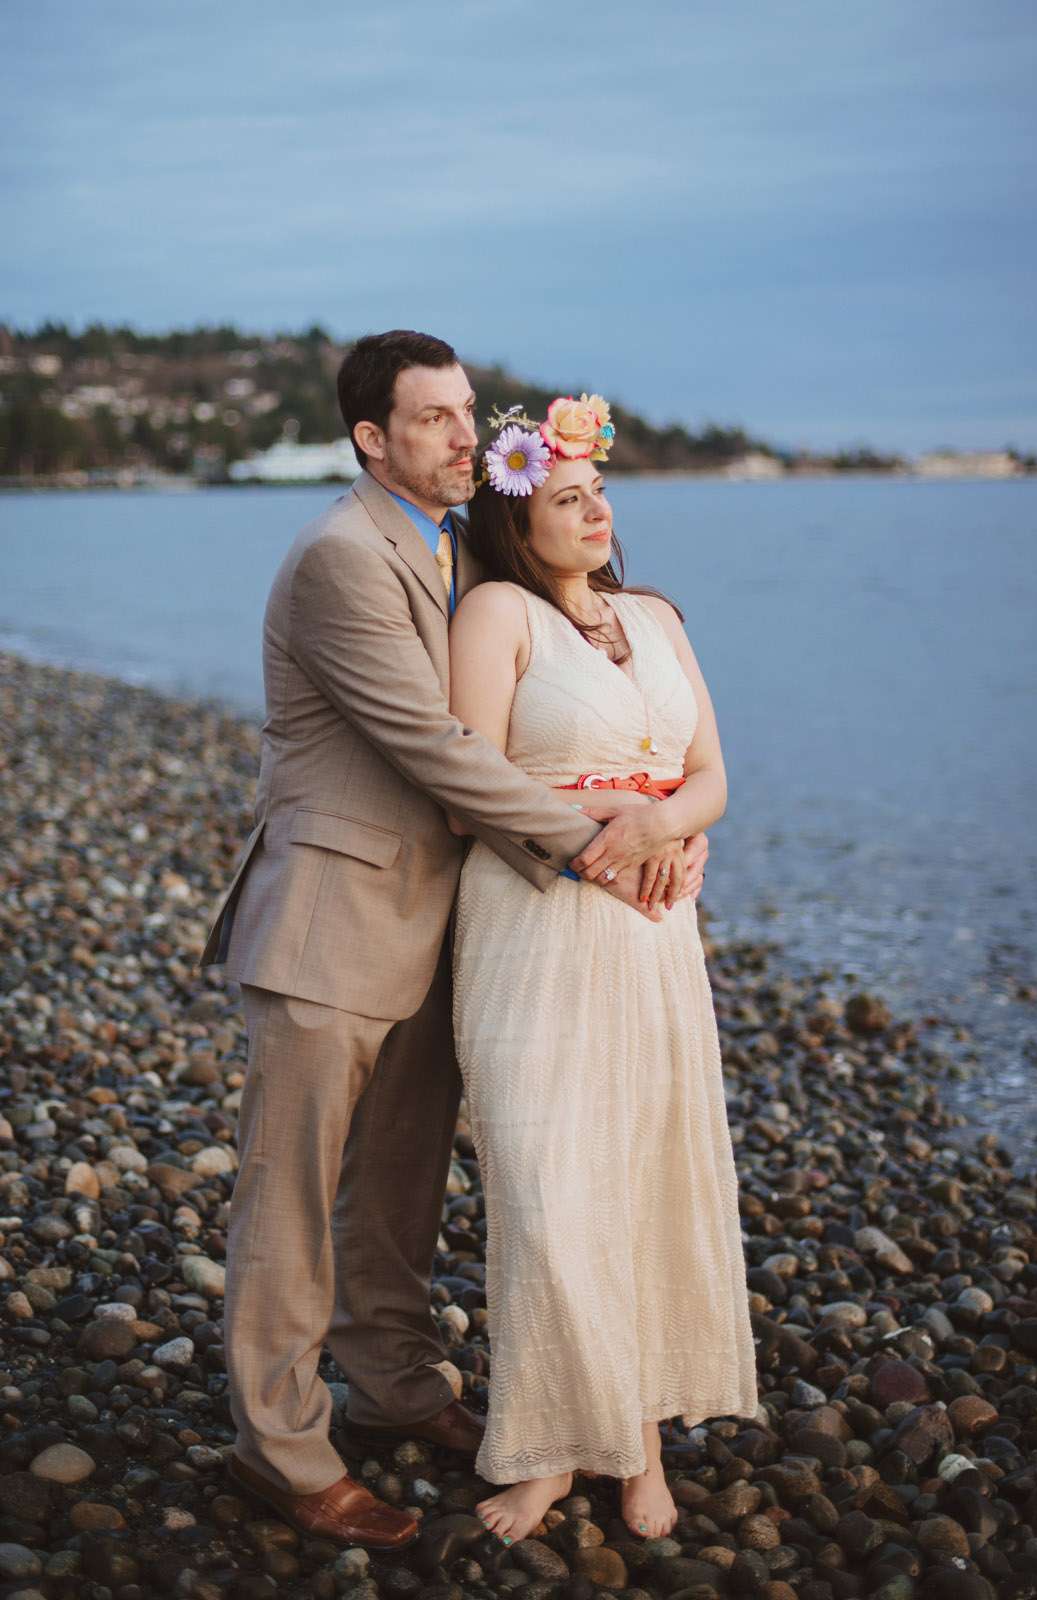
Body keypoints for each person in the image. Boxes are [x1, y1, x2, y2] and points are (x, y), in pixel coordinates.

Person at [198, 333, 710, 1547]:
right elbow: (436, 746)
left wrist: (672, 811)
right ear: (371, 438)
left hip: (453, 918)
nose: (464, 436)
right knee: (290, 1196)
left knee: (401, 1179)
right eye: (433, 418)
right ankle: (285, 1452)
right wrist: (605, 844)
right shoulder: (340, 557)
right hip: (335, 913)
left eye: (469, 411)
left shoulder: (463, 549)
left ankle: (394, 1384)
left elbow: (545, 679)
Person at [447, 394, 759, 1545]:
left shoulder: (657, 616)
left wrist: (670, 822)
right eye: (567, 498)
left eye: (598, 493)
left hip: (654, 934)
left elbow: (712, 772)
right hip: (537, 925)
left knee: (641, 1177)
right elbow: (469, 784)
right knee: (544, 1185)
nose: (594, 513)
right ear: (517, 520)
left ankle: (638, 1443)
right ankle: (544, 1449)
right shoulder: (496, 615)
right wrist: (607, 834)